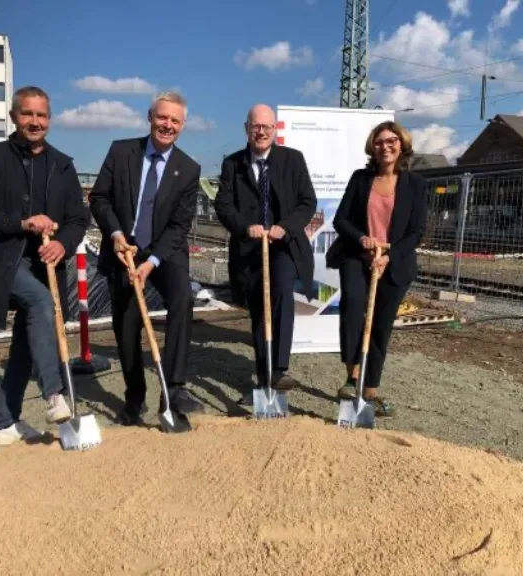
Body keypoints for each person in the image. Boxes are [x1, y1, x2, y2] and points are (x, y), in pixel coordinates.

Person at [0, 86, 89, 446]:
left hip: (46, 264)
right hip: (4, 261)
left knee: (24, 345)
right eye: (28, 114)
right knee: (40, 302)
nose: (35, 121)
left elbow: (78, 219)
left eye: (41, 115)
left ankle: (6, 423)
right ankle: (54, 394)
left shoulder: (62, 165)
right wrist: (21, 223)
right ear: (13, 116)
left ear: (50, 119)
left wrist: (63, 243)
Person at [88, 91, 204, 426]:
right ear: (150, 117)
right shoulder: (121, 152)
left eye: (174, 121)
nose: (167, 125)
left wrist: (151, 263)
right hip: (123, 247)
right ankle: (134, 396)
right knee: (127, 323)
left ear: (183, 125)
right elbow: (99, 198)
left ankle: (174, 389)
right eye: (162, 117)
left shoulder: (188, 169)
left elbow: (180, 225)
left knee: (182, 298)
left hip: (164, 252)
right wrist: (115, 234)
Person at [214, 104, 317, 405]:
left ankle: (279, 370)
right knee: (259, 311)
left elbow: (307, 202)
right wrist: (245, 227)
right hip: (250, 248)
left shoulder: (292, 159)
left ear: (275, 129)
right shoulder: (233, 164)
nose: (261, 132)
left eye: (266, 127)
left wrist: (285, 227)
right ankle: (264, 380)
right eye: (255, 126)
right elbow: (223, 204)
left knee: (281, 292)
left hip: (284, 246)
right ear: (246, 128)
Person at [327, 121, 428, 416]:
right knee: (353, 308)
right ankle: (352, 378)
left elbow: (417, 231)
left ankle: (370, 392)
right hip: (357, 258)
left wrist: (389, 256)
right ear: (372, 147)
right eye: (380, 141)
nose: (385, 146)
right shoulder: (361, 179)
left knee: (381, 326)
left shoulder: (415, 184)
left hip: (395, 264)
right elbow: (341, 220)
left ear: (401, 144)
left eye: (391, 140)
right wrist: (362, 238)